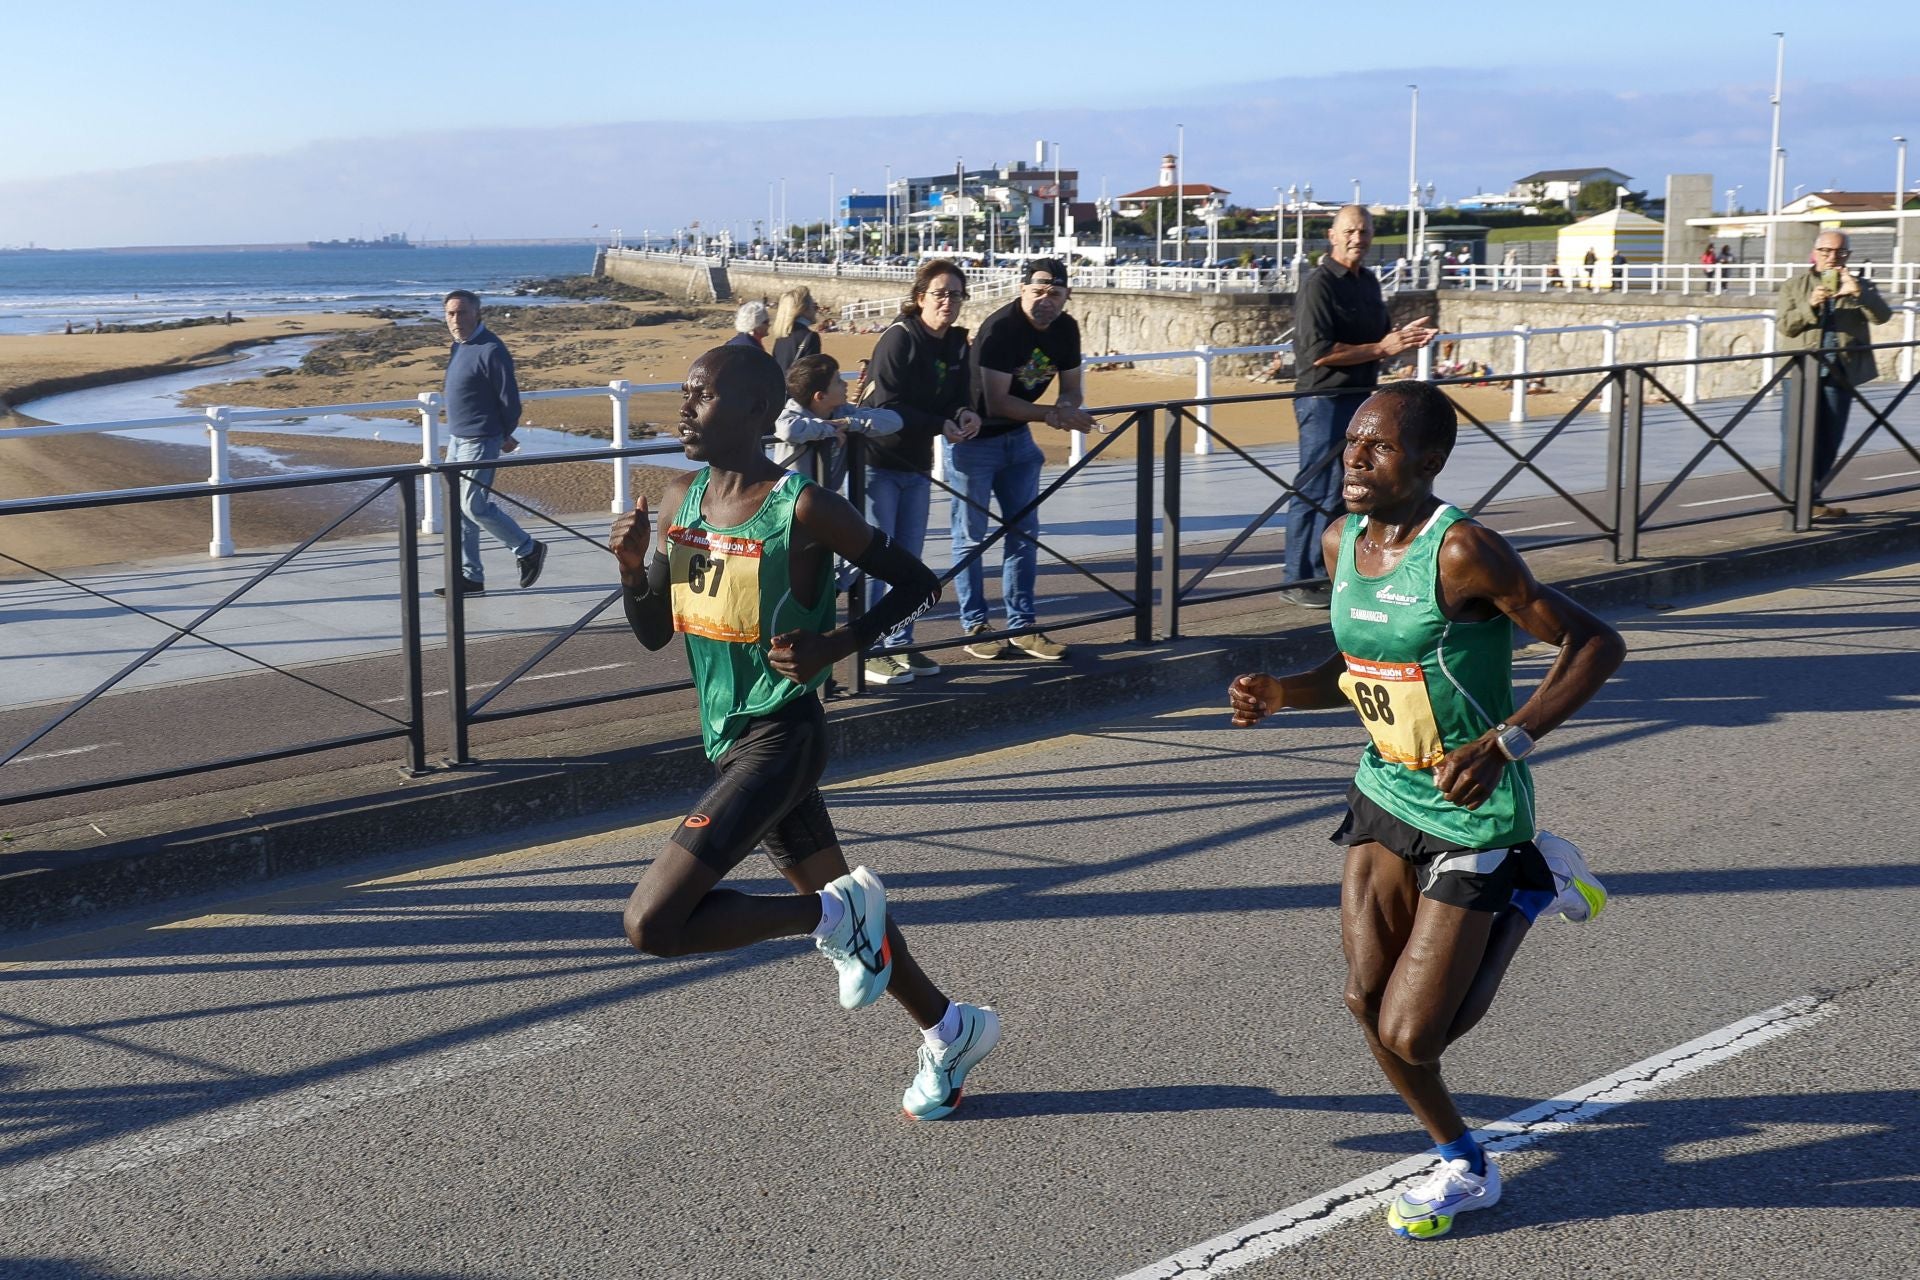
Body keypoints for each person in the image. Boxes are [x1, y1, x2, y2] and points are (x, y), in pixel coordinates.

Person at [1229, 379, 1625, 1241]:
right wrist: (1281, 694)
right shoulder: (1341, 540)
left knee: (1419, 1032)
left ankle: (1531, 885)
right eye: (1351, 444)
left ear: (1431, 460)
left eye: (1379, 446)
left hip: (1472, 810)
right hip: (1384, 790)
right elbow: (1356, 666)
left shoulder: (1464, 553)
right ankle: (1463, 1161)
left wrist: (1509, 741)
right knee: (1364, 1003)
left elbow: (1597, 642)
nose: (1356, 458)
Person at [611, 344, 1000, 1119]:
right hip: (728, 738)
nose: (685, 407)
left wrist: (836, 647)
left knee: (652, 924)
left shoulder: (803, 508)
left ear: (757, 414)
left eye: (704, 395)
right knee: (850, 909)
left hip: (782, 736)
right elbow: (657, 632)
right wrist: (631, 570)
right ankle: (950, 1028)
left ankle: (826, 918)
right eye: (685, 393)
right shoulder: (677, 501)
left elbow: (919, 582)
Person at [1283, 204, 1437, 608]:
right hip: (1324, 398)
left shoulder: (1367, 281)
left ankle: (1329, 571)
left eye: (1365, 232)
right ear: (1332, 236)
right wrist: (1381, 347)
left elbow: (1377, 338)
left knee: (1349, 487)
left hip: (1360, 399)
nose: (1358, 238)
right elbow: (1316, 353)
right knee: (1314, 487)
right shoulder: (1318, 285)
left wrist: (1400, 338)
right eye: (1350, 231)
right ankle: (1297, 577)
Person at [951, 258, 1097, 661]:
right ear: (1021, 289)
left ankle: (1023, 626)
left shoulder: (1066, 328)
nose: (1045, 300)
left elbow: (1071, 387)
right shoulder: (1001, 329)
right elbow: (998, 402)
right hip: (975, 441)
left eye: (1054, 293)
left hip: (1018, 441)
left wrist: (1066, 405)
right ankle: (975, 625)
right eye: (1037, 291)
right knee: (970, 539)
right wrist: (1054, 415)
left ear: (1068, 295)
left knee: (1025, 534)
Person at [860, 259, 981, 685]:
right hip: (878, 463)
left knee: (909, 561)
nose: (948, 302)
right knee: (878, 559)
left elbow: (958, 394)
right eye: (940, 293)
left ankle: (899, 643)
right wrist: (939, 424)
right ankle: (867, 649)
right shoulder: (899, 339)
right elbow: (886, 405)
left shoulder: (957, 344)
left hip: (918, 464)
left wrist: (965, 413)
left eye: (956, 294)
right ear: (919, 298)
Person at [1777, 230, 1893, 519]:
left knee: (1829, 439)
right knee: (1795, 439)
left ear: (1848, 256)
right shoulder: (1795, 285)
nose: (1833, 257)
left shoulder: (1859, 285)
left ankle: (1813, 499)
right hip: (1802, 372)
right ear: (1815, 252)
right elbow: (1786, 326)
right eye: (1827, 251)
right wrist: (1811, 305)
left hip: (1840, 371)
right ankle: (1793, 506)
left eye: (1840, 252)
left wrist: (1859, 293)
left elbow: (1883, 316)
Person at [438, 289, 544, 598]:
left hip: (482, 439)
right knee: (459, 511)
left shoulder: (491, 349)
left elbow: (509, 400)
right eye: (450, 314)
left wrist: (503, 433)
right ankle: (471, 578)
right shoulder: (459, 347)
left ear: (477, 314)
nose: (456, 319)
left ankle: (527, 549)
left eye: (462, 312)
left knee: (474, 505)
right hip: (458, 439)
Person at [773, 352, 900, 494]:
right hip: (791, 500)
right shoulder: (792, 413)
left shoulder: (843, 412)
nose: (846, 384)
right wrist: (830, 429)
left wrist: (850, 423)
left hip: (826, 497)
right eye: (838, 381)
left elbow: (895, 421)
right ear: (820, 396)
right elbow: (787, 430)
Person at [770, 286, 822, 372]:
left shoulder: (781, 335)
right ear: (803, 309)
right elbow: (811, 376)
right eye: (814, 306)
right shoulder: (810, 337)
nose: (815, 311)